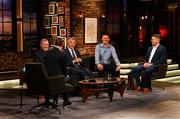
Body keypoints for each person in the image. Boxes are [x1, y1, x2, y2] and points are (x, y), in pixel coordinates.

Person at [43, 37, 72, 106]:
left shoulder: (47, 52)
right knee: (64, 79)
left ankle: (50, 101)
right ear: (62, 44)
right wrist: (65, 75)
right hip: (57, 78)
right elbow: (64, 68)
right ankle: (65, 100)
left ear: (54, 43)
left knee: (60, 77)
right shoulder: (62, 54)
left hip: (46, 77)